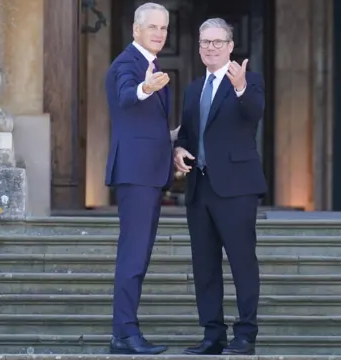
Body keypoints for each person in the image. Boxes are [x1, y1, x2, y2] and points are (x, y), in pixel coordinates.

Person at [173, 17, 267, 356]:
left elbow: (254, 113)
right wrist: (179, 150)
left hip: (237, 188)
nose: (210, 47)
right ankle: (213, 334)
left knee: (242, 262)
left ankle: (246, 335)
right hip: (200, 188)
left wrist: (241, 87)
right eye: (205, 42)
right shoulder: (194, 88)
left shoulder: (250, 81)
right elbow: (186, 133)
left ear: (230, 46)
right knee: (205, 265)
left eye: (217, 42)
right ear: (199, 48)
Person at [104, 2, 173, 355]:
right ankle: (125, 334)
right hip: (135, 174)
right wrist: (144, 89)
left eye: (163, 28)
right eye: (152, 27)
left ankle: (126, 331)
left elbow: (147, 123)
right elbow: (126, 96)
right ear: (136, 30)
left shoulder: (151, 65)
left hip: (149, 173)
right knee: (132, 257)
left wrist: (172, 143)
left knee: (139, 257)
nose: (159, 33)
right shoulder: (128, 65)